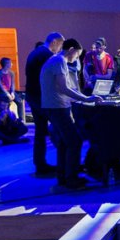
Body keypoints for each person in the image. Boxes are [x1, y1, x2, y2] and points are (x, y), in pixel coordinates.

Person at [40, 38, 97, 189]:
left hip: (54, 106)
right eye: (77, 54)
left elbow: (61, 87)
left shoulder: (55, 60)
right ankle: (71, 178)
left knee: (64, 142)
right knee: (74, 141)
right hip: (57, 107)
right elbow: (64, 88)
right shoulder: (60, 61)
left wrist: (80, 98)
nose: (76, 58)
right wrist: (86, 99)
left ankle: (63, 176)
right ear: (71, 49)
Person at [25, 32, 63, 178]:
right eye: (60, 46)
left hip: (32, 96)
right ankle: (65, 165)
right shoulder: (47, 55)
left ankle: (40, 164)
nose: (59, 50)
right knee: (60, 128)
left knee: (40, 131)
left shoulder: (34, 52)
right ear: (54, 42)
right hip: (42, 98)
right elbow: (52, 79)